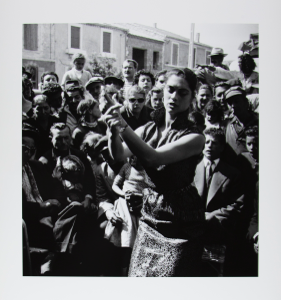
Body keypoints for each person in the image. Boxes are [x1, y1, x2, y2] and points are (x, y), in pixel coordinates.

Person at [102, 68, 206, 277]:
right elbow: (119, 154)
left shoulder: (195, 137)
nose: (174, 97)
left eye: (182, 92)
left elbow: (153, 158)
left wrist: (122, 124)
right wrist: (113, 127)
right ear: (162, 90)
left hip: (181, 222)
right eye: (171, 89)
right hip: (150, 215)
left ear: (193, 97)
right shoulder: (149, 129)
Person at [193, 128, 245, 276]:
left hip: (217, 234)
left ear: (222, 147)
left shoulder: (233, 174)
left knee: (211, 275)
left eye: (214, 143)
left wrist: (212, 215)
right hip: (190, 233)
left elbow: (238, 204)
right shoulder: (190, 169)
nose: (209, 146)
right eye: (207, 142)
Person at [104, 155, 155, 275]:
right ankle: (123, 270)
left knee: (139, 243)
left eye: (138, 157)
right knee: (126, 241)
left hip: (142, 206)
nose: (134, 160)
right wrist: (123, 194)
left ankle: (135, 271)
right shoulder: (126, 168)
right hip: (124, 205)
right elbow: (115, 185)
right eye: (132, 157)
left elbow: (154, 189)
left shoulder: (150, 170)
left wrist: (144, 197)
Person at [39, 123, 96, 206]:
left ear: (71, 137)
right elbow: (45, 190)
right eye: (58, 139)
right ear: (51, 139)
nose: (63, 142)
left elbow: (89, 179)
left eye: (66, 138)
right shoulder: (44, 162)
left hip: (82, 201)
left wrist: (88, 198)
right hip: (58, 204)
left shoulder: (80, 155)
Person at [222, 86, 259, 165]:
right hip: (234, 172)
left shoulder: (258, 122)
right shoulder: (226, 125)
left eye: (237, 101)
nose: (233, 105)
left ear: (246, 102)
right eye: (230, 103)